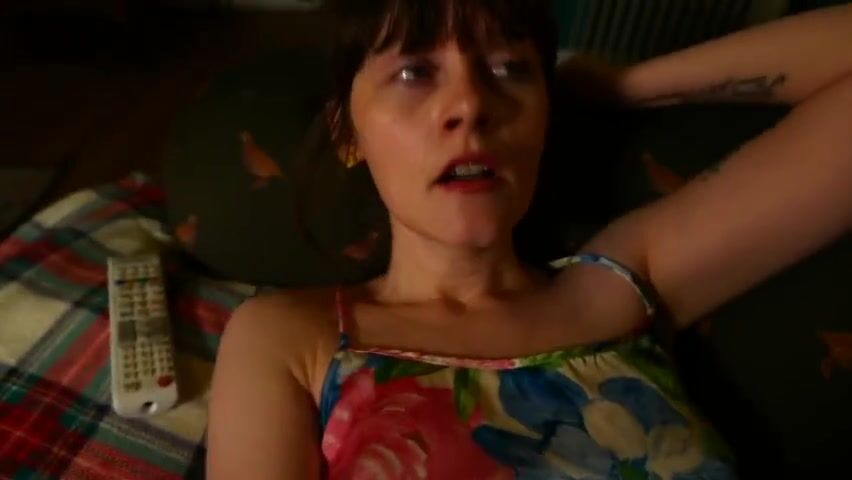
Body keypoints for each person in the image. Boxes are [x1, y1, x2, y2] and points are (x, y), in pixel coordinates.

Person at [207, 1, 852, 478]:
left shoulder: (622, 284)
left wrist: (620, 87)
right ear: (347, 133)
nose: (472, 104)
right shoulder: (292, 340)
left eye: (508, 69)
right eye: (414, 72)